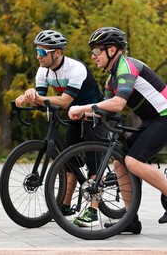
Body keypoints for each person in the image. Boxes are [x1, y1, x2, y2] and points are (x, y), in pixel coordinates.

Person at [68, 27, 167, 233]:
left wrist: (82, 107)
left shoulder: (127, 67)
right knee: (120, 162)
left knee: (133, 161)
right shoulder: (111, 78)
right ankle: (130, 219)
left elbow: (117, 104)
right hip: (152, 120)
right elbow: (104, 110)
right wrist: (84, 114)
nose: (93, 56)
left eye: (97, 51)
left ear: (113, 50)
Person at [15, 30, 104, 227]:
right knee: (68, 161)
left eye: (42, 51)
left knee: (93, 163)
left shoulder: (76, 69)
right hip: (74, 114)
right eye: (37, 50)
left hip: (94, 114)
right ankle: (65, 205)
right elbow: (41, 102)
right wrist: (26, 98)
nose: (38, 55)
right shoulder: (42, 71)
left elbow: (63, 101)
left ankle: (93, 210)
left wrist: (38, 99)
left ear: (57, 52)